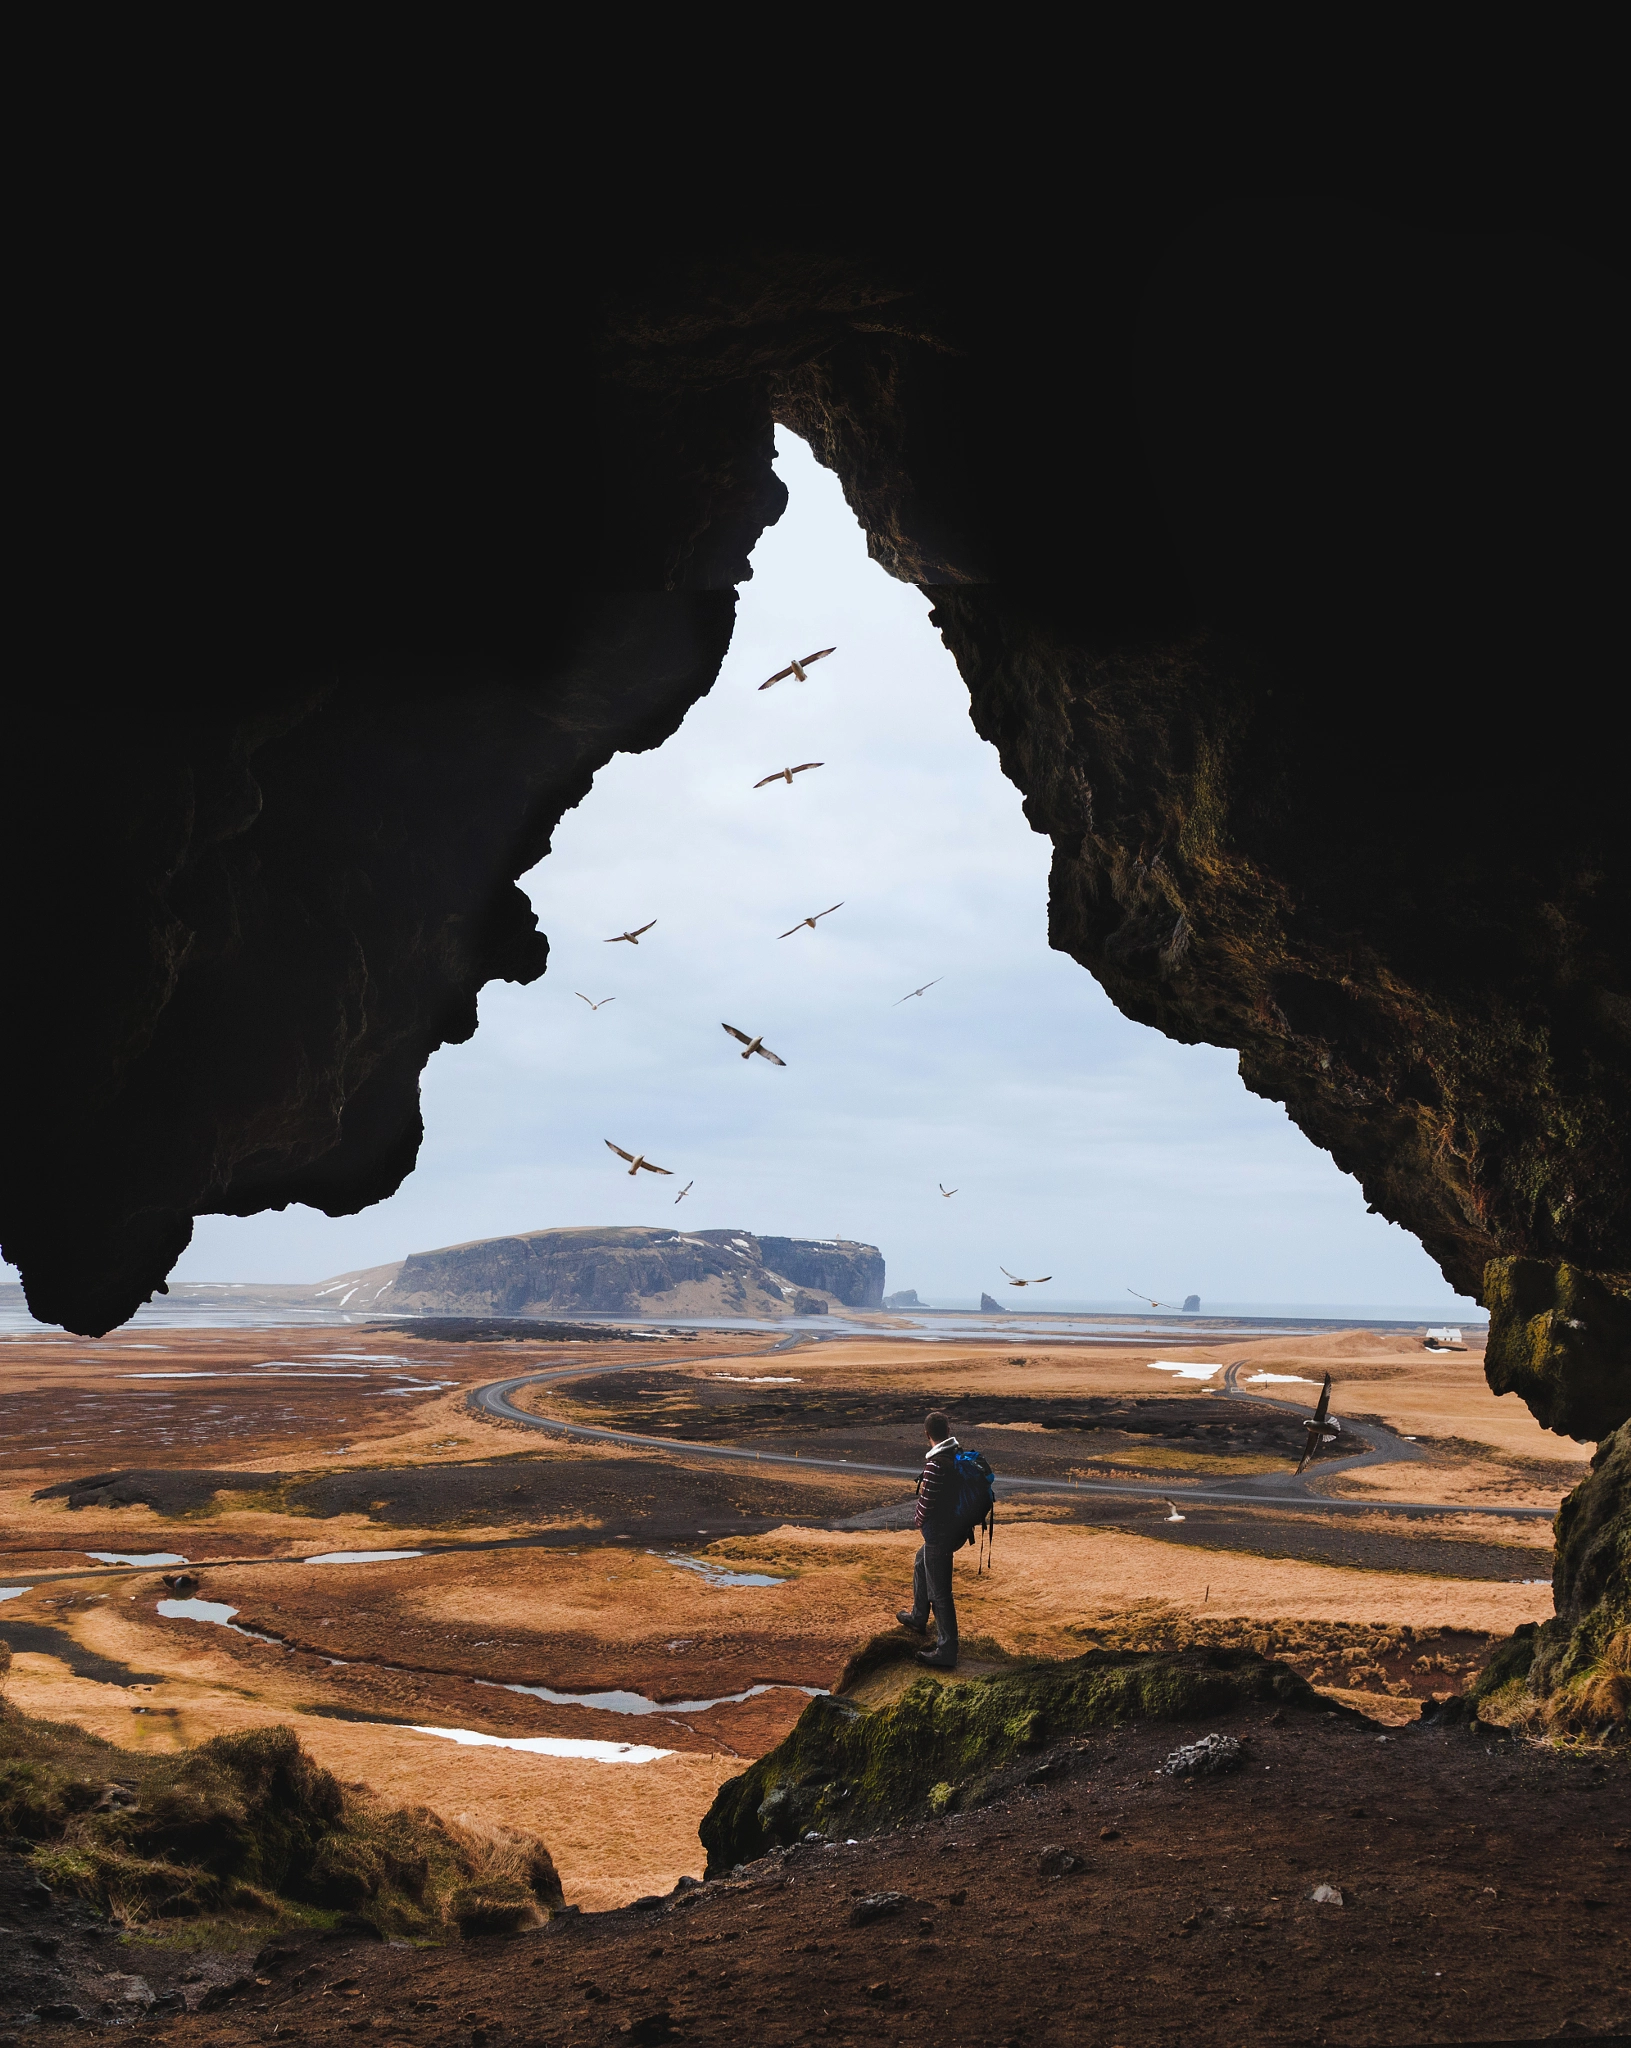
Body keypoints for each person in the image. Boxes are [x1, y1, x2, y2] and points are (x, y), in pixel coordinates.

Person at [896, 1409, 960, 1668]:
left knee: (941, 1593)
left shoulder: (936, 1464)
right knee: (920, 1562)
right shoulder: (955, 1454)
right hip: (950, 1530)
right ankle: (918, 1616)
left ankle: (947, 1650)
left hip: (939, 1534)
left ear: (926, 1434)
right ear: (948, 1430)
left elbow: (926, 1502)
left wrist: (918, 1520)